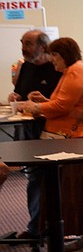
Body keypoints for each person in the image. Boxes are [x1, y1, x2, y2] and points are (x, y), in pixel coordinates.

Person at [16, 37, 83, 252]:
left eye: (55, 56)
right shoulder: (74, 71)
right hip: (76, 138)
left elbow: (62, 105)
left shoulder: (75, 72)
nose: (52, 61)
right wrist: (43, 101)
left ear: (65, 55)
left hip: (79, 139)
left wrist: (37, 106)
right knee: (76, 194)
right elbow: (63, 103)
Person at [7, 30, 62, 240]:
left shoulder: (58, 68)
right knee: (33, 179)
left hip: (53, 132)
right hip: (29, 131)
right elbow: (20, 93)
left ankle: (55, 229)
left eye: (28, 43)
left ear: (42, 46)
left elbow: (62, 101)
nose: (23, 47)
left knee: (53, 181)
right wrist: (14, 96)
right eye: (22, 42)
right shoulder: (25, 66)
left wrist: (44, 100)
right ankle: (36, 228)